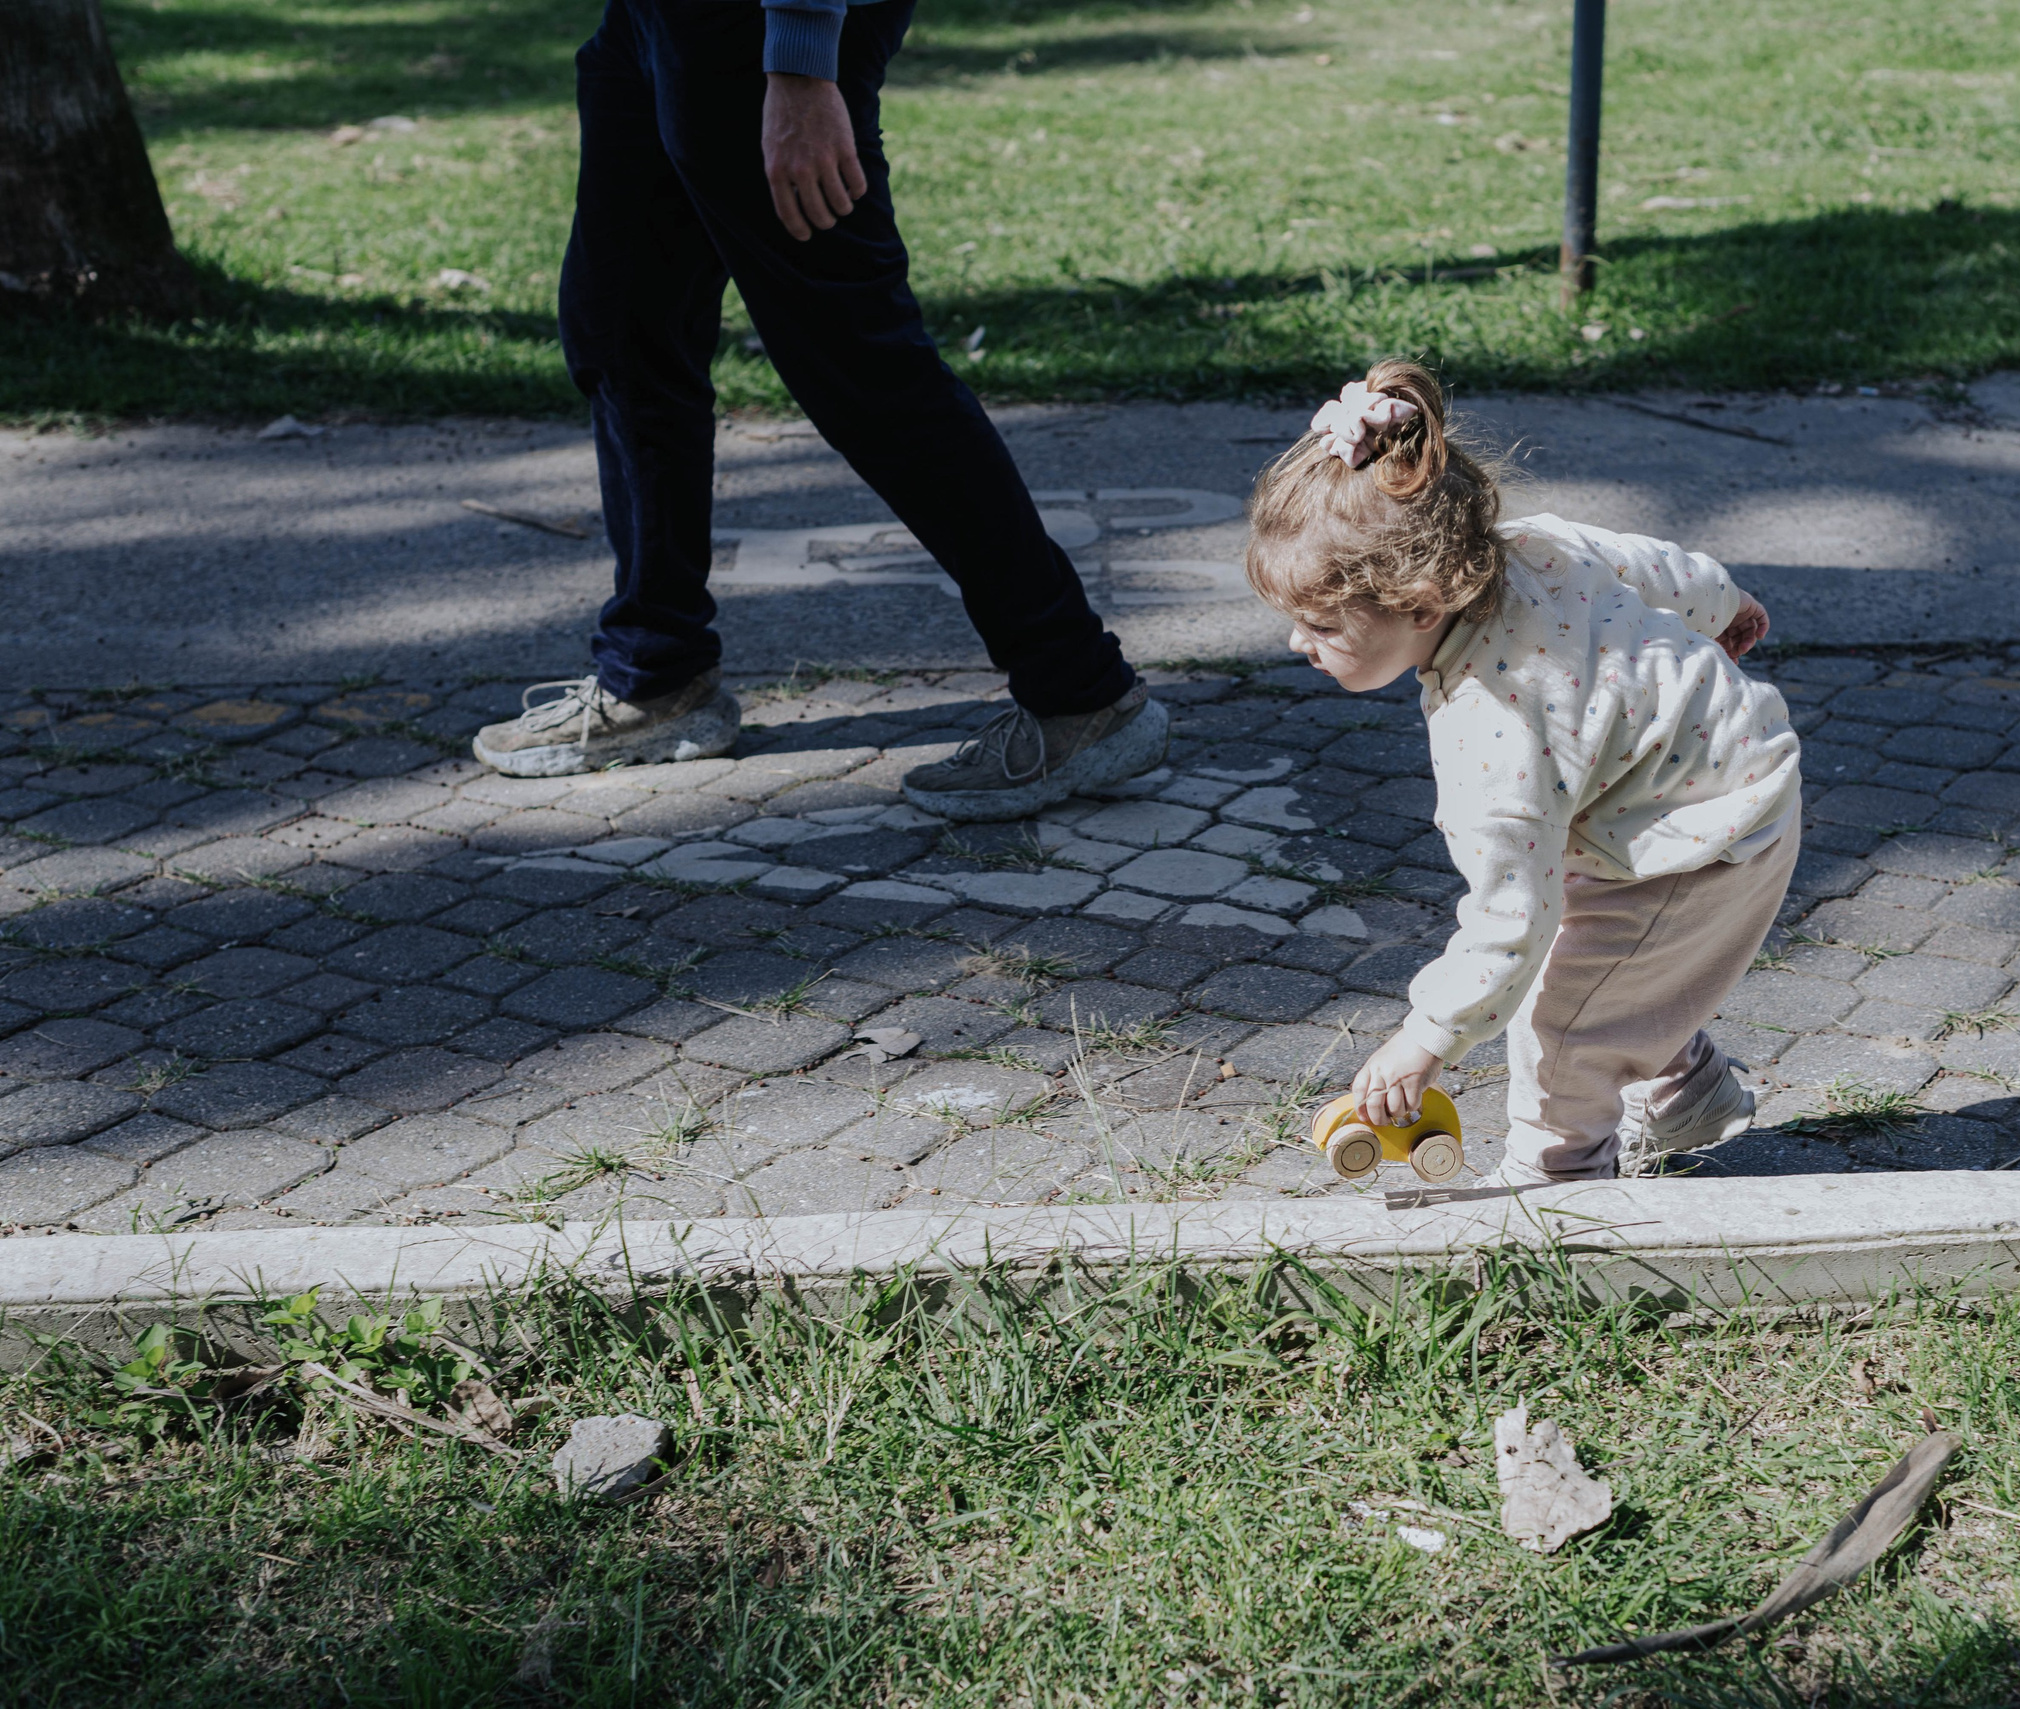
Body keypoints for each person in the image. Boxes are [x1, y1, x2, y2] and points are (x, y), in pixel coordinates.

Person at [470, 0, 1167, 821]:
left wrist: (801, 58)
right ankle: (655, 675)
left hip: (758, 31)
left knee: (858, 360)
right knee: (622, 328)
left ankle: (1077, 689)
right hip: (652, 17)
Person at [1245, 362, 1802, 1187]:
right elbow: (1656, 568)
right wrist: (1726, 606)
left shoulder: (1494, 730)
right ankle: (1686, 1090)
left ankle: (1556, 1187)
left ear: (1421, 603)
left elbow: (1510, 921)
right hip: (1708, 771)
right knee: (1609, 968)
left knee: (1562, 1023)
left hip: (1706, 835)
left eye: (1321, 623)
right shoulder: (1526, 546)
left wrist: (1425, 1036)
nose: (1300, 644)